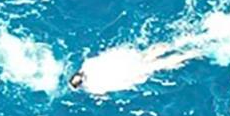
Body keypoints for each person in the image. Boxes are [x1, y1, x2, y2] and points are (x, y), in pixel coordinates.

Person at [69, 42, 200, 95]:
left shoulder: (93, 86)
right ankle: (187, 43)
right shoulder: (88, 65)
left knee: (162, 63)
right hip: (130, 62)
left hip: (132, 69)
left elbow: (119, 83)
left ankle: (192, 53)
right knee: (154, 54)